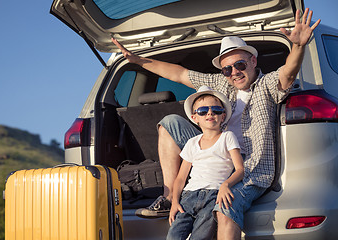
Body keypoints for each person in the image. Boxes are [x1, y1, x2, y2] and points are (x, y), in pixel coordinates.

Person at [113, 8, 320, 239]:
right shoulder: (220, 83)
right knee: (169, 122)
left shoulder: (267, 85)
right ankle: (170, 197)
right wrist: (138, 60)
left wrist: (299, 47)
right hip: (214, 159)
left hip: (249, 170)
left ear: (253, 61)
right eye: (227, 68)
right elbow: (180, 74)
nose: (234, 72)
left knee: (225, 205)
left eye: (240, 65)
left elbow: (288, 74)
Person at [166, 85, 244, 240]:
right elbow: (181, 178)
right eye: (203, 111)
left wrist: (226, 184)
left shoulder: (227, 137)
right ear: (195, 117)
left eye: (216, 110)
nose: (210, 113)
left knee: (200, 237)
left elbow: (240, 169)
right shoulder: (191, 143)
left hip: (213, 196)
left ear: (223, 116)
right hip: (188, 197)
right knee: (173, 236)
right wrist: (175, 202)